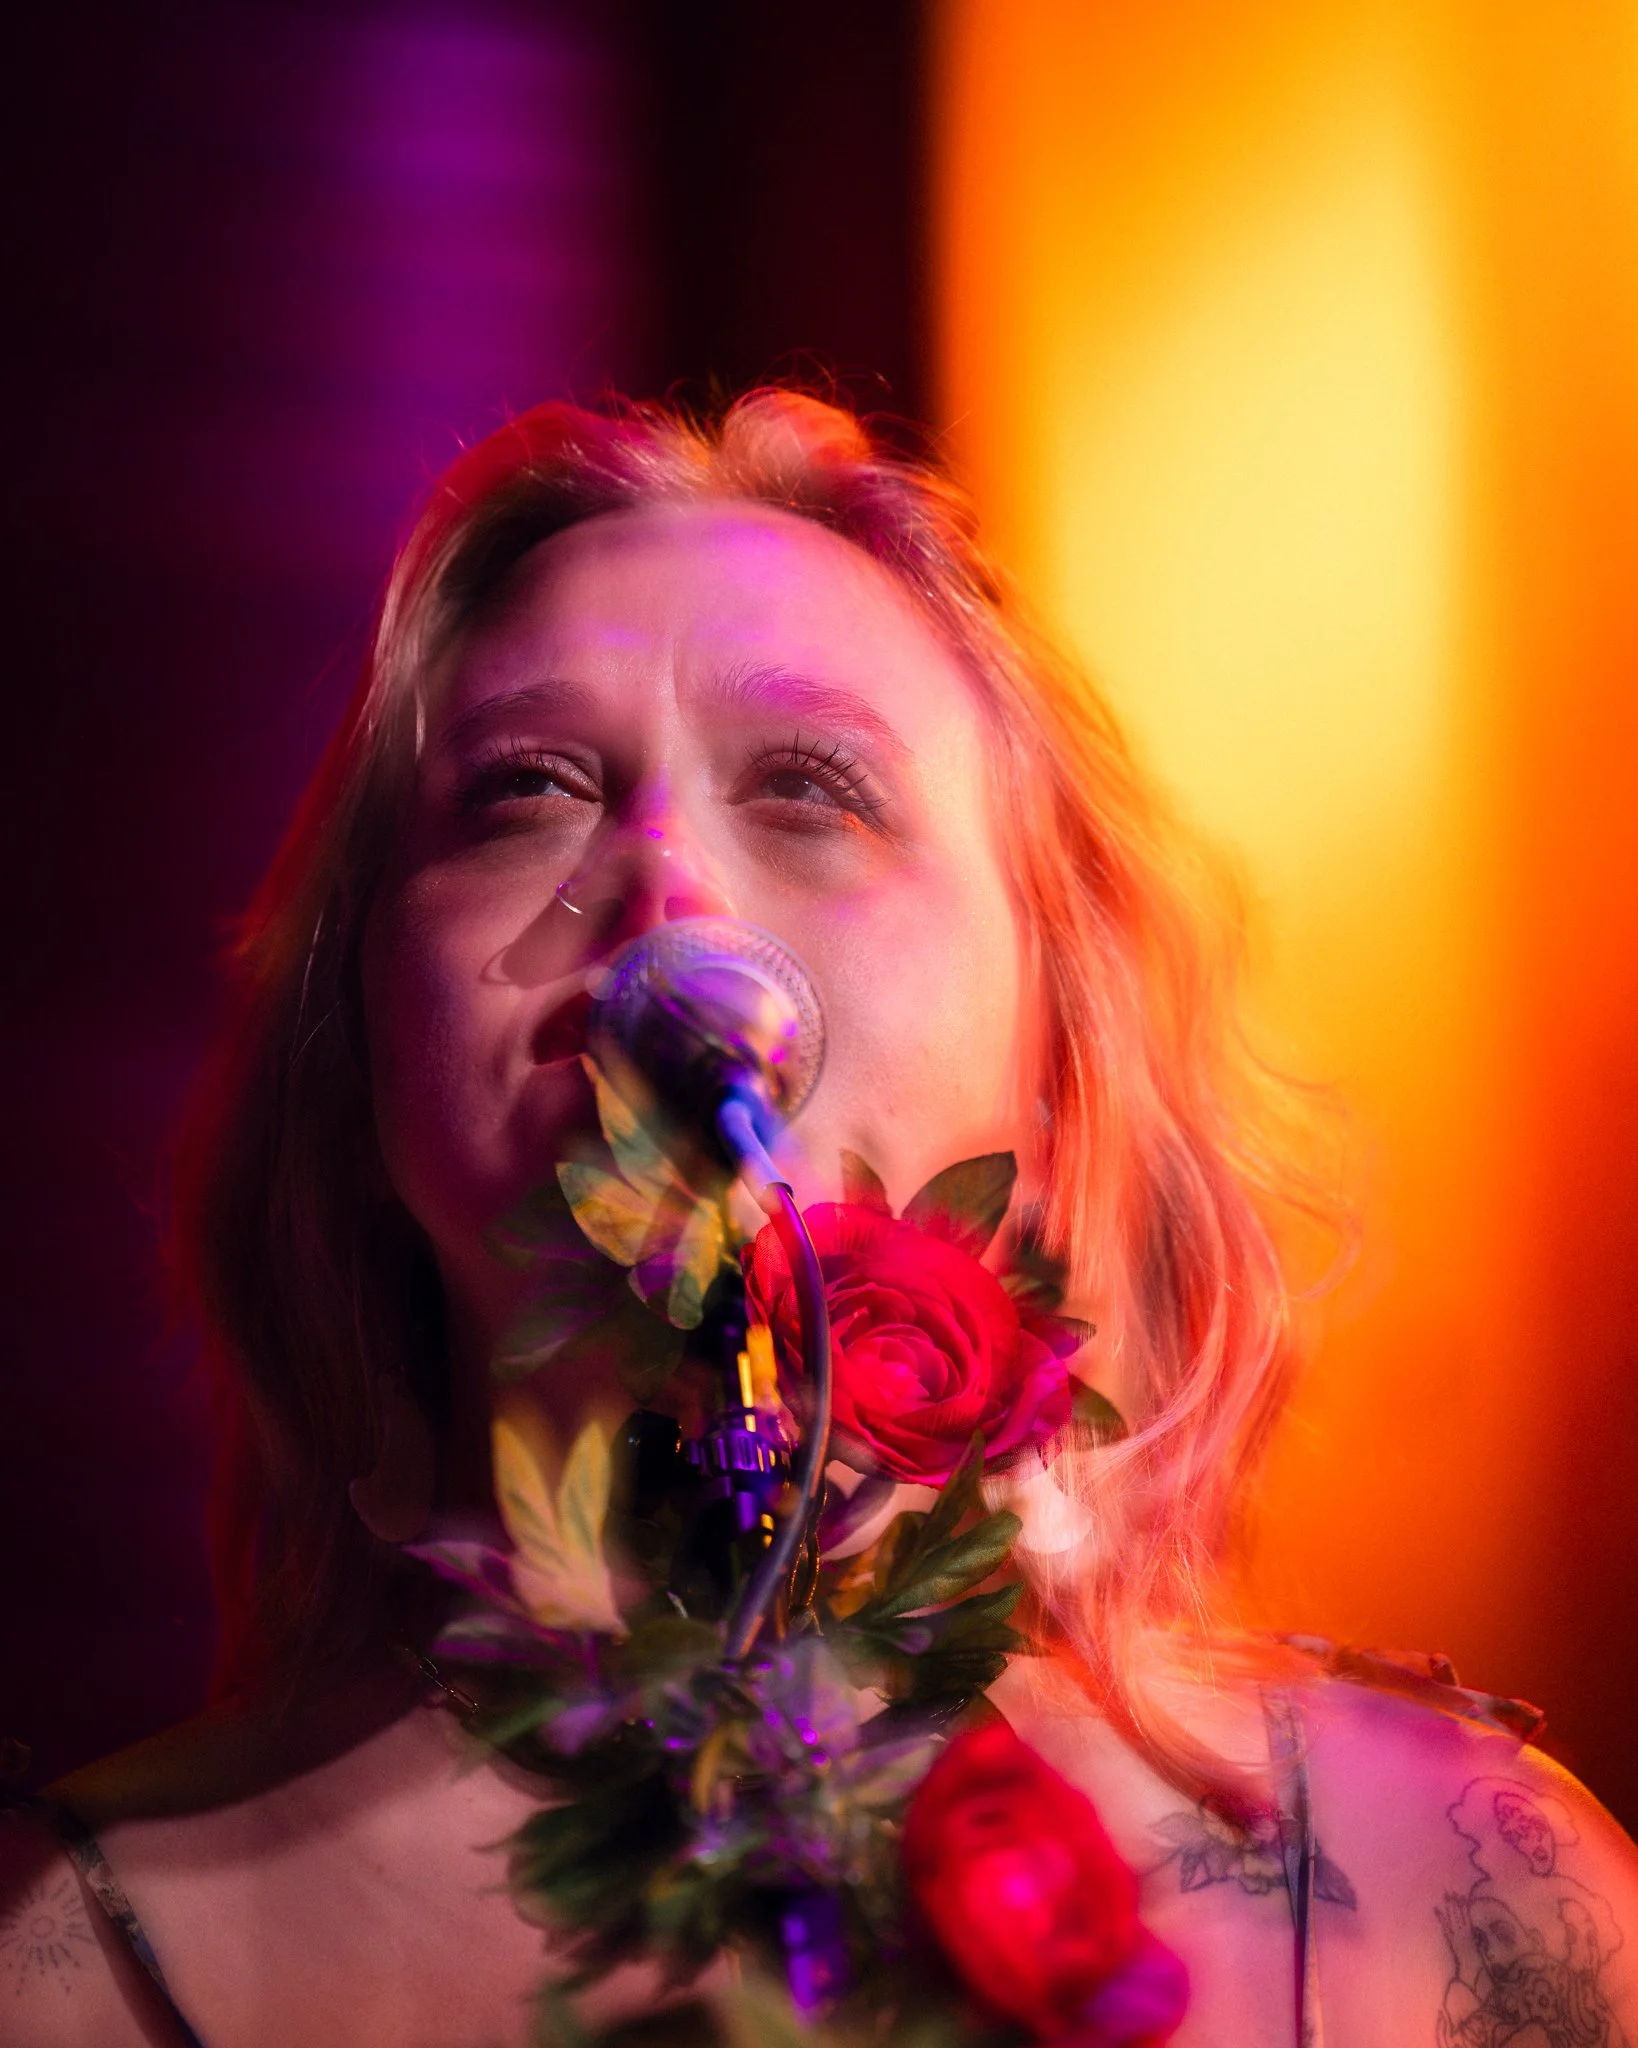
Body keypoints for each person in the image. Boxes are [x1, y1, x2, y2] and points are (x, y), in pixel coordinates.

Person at [2, 388, 1635, 2046]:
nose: (666, 890)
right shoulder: (69, 1961)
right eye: (525, 792)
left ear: (1061, 1061)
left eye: (806, 786)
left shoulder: (1452, 1902)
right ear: (358, 1078)